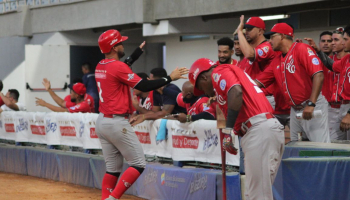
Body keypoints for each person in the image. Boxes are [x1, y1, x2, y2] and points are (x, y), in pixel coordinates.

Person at [94, 29, 188, 200]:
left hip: (102, 121)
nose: (123, 45)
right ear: (114, 47)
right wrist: (169, 78)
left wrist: (136, 54)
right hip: (116, 122)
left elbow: (122, 67)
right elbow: (144, 85)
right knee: (138, 164)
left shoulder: (101, 65)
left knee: (112, 169)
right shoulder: (118, 67)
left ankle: (106, 198)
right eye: (120, 43)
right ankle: (112, 198)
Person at [189, 58, 284, 200]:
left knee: (258, 195)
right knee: (256, 192)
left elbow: (236, 92)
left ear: (204, 77)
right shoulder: (227, 76)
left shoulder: (218, 72)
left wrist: (227, 131)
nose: (205, 92)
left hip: (258, 129)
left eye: (202, 87)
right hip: (261, 129)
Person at [255, 22, 330, 143]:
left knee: (319, 146)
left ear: (283, 36)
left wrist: (311, 104)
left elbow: (319, 75)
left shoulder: (302, 49)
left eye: (273, 37)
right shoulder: (277, 60)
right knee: (297, 146)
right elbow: (257, 82)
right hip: (295, 109)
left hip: (312, 105)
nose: (269, 41)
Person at [314, 25, 350, 139]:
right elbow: (331, 65)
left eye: (346, 39)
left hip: (347, 107)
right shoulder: (347, 59)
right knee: (336, 143)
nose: (344, 43)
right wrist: (318, 51)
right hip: (343, 107)